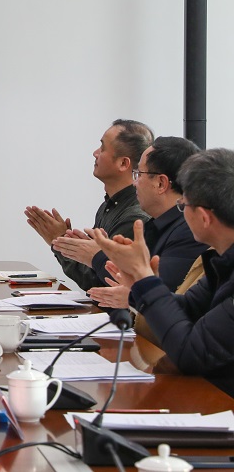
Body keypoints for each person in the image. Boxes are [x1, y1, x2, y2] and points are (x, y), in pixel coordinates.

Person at [93, 148, 234, 397]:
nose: (182, 212)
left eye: (184, 205)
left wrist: (146, 280)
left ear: (204, 217)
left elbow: (191, 353)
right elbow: (188, 308)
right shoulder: (221, 260)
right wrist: (139, 287)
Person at [24, 119, 153, 291]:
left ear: (123, 163)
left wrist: (60, 241)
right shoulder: (109, 206)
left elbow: (98, 281)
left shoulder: (134, 218)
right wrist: (68, 243)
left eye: (102, 148)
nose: (95, 153)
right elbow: (91, 268)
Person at [88, 136, 208, 312]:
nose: (134, 183)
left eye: (138, 174)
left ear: (161, 183)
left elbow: (160, 296)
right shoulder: (155, 225)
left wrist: (97, 256)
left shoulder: (189, 231)